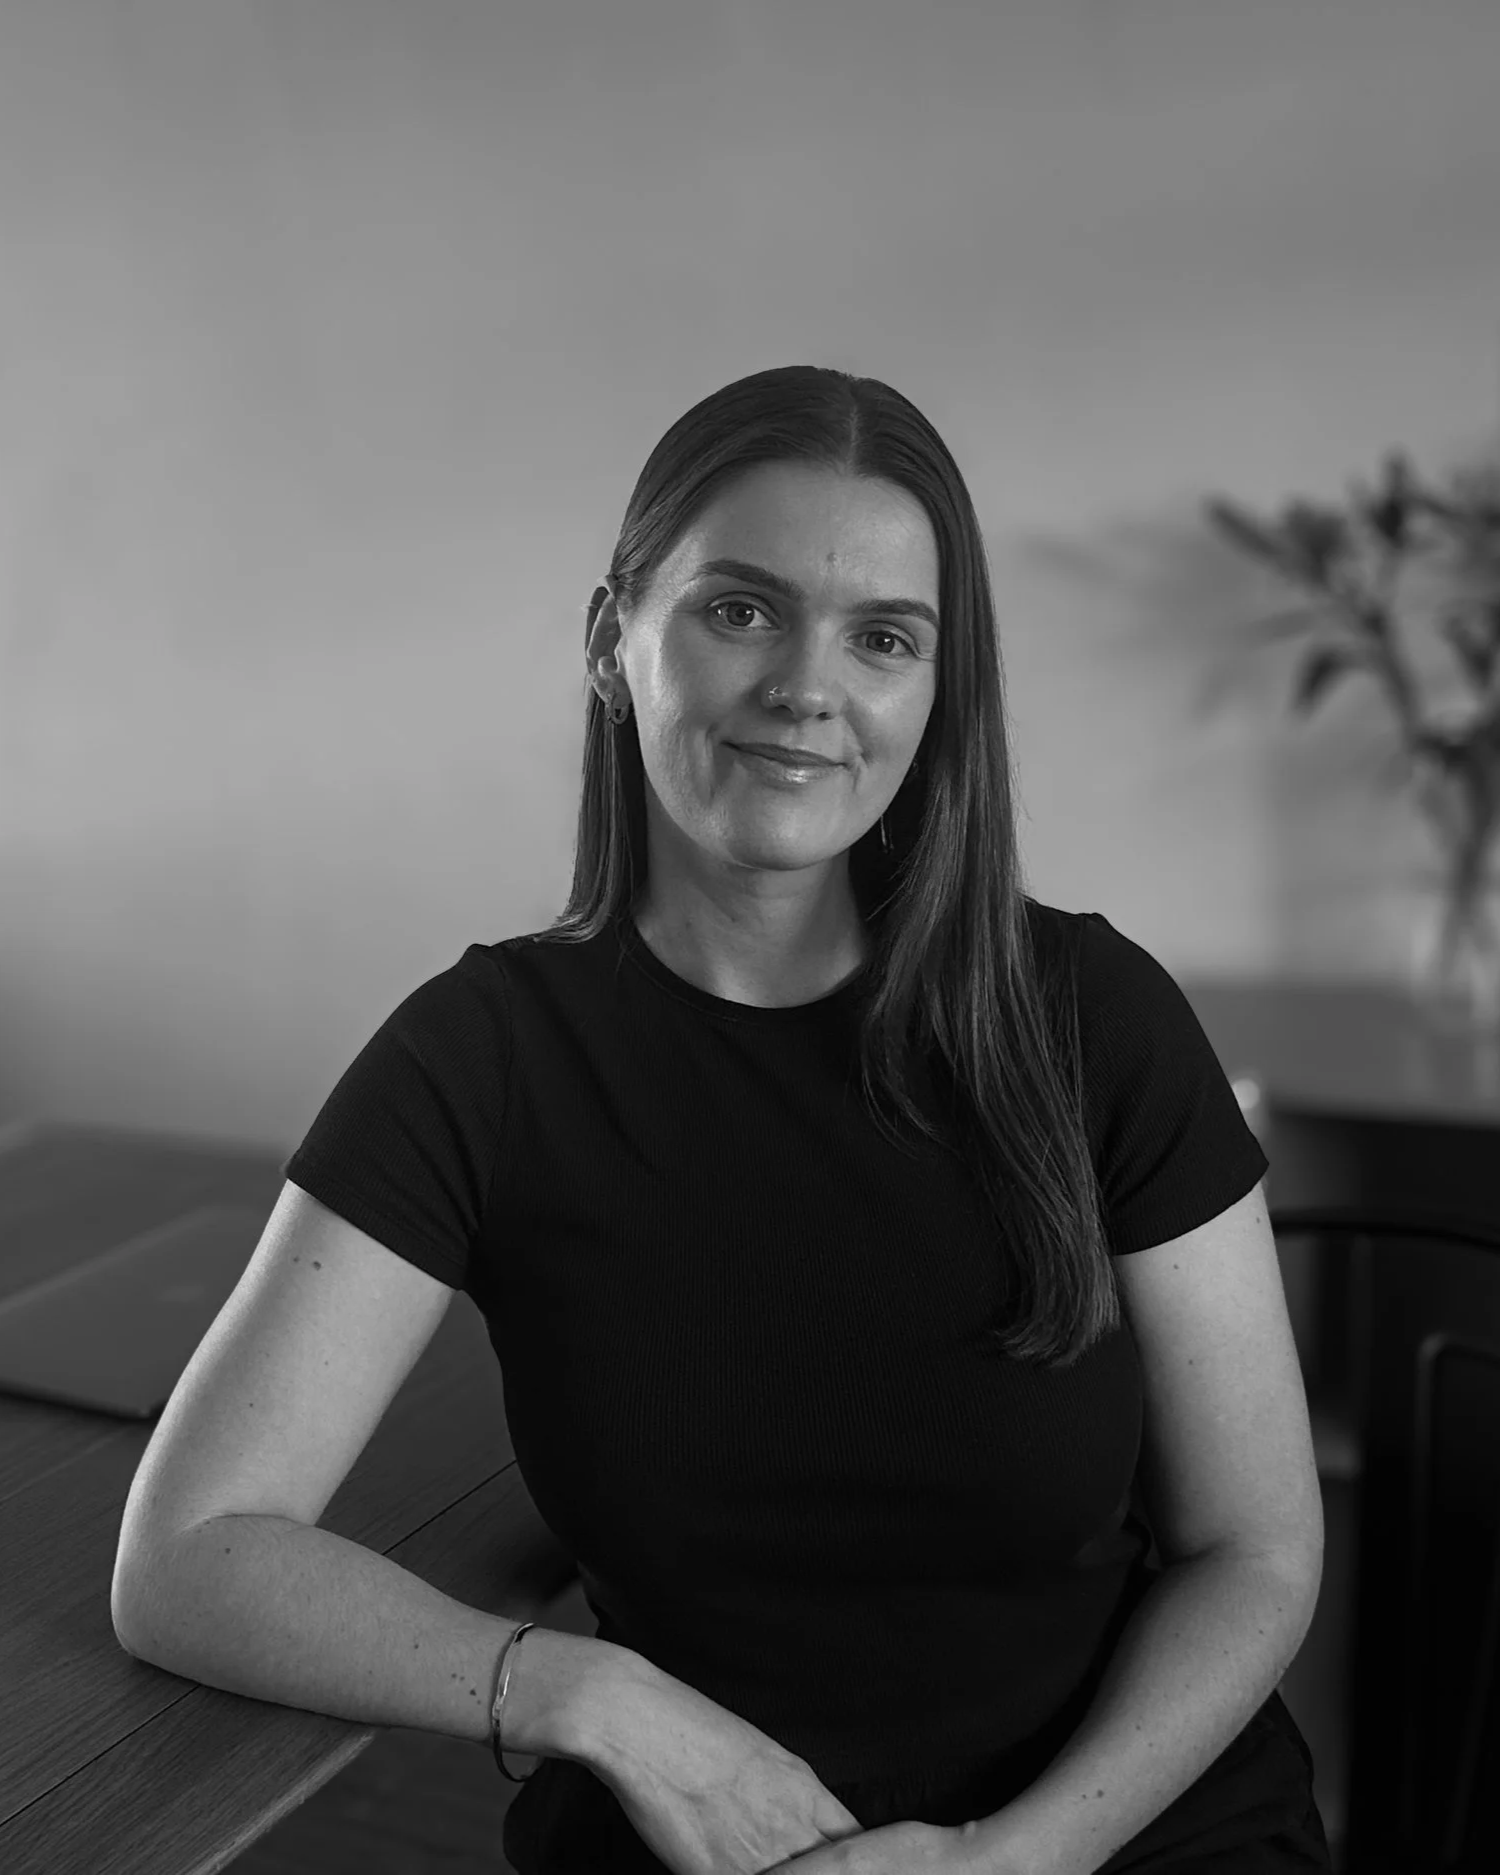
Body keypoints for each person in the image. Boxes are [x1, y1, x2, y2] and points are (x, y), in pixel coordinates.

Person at [112, 366, 1333, 1874]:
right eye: (740, 609)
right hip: (703, 1843)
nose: (808, 687)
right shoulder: (485, 1055)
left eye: (883, 638)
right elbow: (184, 1555)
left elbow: (1257, 1551)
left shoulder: (1092, 1011)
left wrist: (1012, 1860)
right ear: (612, 642)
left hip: (1121, 1834)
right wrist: (588, 1694)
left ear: (936, 693)